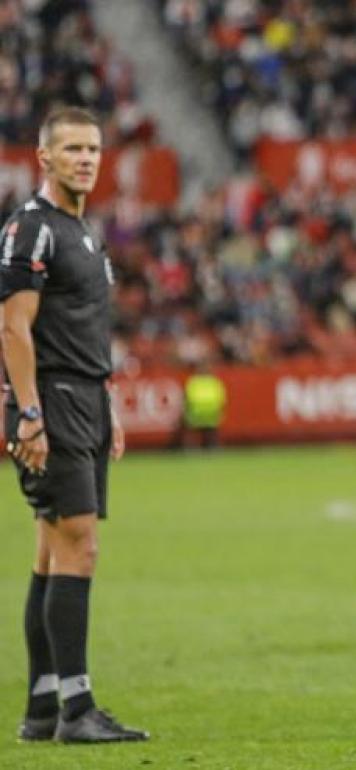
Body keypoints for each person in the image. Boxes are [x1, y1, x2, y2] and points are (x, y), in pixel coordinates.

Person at [0, 106, 148, 743]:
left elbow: (85, 326)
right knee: (79, 547)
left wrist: (107, 400)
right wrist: (30, 413)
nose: (86, 158)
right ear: (45, 158)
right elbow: (13, 327)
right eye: (72, 149)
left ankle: (41, 709)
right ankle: (77, 709)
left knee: (50, 553)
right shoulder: (31, 230)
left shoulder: (83, 231)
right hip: (52, 402)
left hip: (85, 398)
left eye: (93, 149)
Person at [177, 360, 226, 449]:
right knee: (211, 434)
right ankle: (213, 448)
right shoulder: (214, 382)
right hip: (212, 414)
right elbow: (221, 399)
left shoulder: (194, 382)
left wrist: (185, 411)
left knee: (190, 431)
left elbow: (186, 398)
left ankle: (190, 449)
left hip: (195, 414)